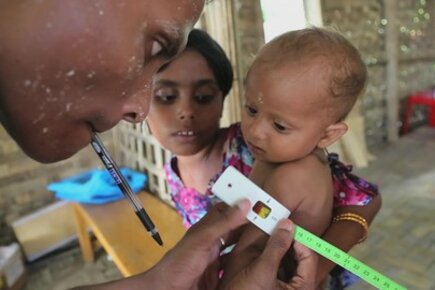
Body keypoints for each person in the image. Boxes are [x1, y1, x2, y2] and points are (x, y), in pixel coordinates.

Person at [0, 1, 316, 289]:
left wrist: (322, 266)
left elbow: (348, 194)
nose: (186, 112)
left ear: (223, 101)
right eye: (164, 97)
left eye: (204, 97)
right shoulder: (171, 173)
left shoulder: (256, 148)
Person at [146, 28, 381, 288]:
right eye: (251, 110)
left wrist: (319, 268)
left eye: (280, 126)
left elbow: (249, 251)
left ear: (327, 136)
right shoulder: (266, 155)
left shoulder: (287, 171)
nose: (256, 132)